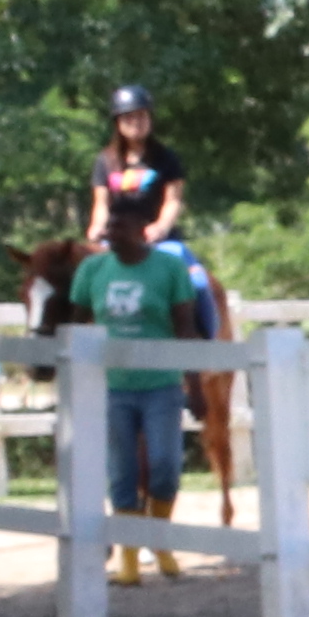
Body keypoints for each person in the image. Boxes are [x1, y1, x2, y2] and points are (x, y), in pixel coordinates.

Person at [75, 211, 220, 581]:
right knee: (121, 471)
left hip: (161, 385)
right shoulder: (93, 271)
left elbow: (184, 329)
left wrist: (195, 384)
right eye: (108, 228)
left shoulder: (169, 269)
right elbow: (77, 328)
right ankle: (128, 560)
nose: (111, 234)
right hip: (112, 387)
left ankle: (160, 541)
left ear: (140, 230)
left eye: (118, 226)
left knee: (164, 466)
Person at [92, 87, 191, 258]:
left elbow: (173, 200)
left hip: (158, 239)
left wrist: (161, 226)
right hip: (117, 238)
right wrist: (97, 227)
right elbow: (101, 203)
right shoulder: (105, 160)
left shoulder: (166, 158)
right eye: (129, 117)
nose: (136, 122)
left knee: (199, 282)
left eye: (142, 116)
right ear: (118, 122)